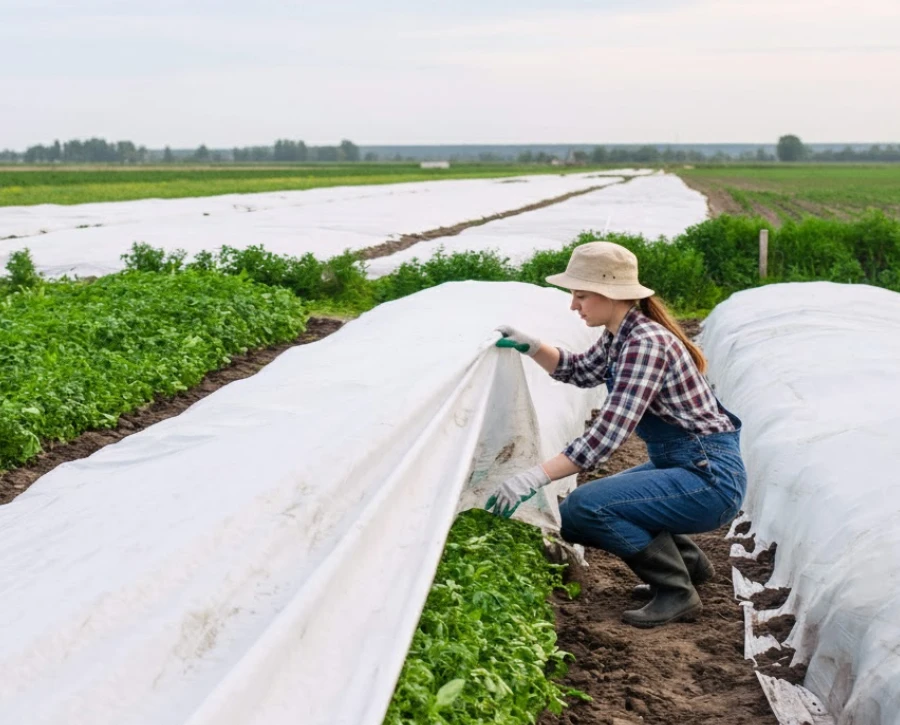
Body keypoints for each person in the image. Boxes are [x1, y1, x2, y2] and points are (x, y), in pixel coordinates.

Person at [486, 241, 747, 628]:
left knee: (584, 508)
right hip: (688, 465)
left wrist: (534, 476)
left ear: (609, 295)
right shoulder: (621, 334)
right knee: (586, 508)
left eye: (580, 295)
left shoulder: (645, 344)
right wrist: (532, 346)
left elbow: (607, 435)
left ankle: (676, 592)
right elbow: (579, 370)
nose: (574, 306)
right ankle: (690, 566)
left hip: (709, 480)